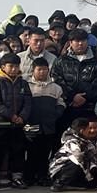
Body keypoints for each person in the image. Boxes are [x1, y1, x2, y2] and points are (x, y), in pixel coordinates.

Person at [50, 28, 97, 136]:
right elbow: (56, 79)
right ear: (70, 42)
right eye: (77, 41)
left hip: (88, 108)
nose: (80, 43)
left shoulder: (96, 61)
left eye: (83, 40)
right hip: (66, 107)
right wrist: (71, 96)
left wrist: (85, 97)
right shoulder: (61, 61)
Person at [0, 53, 32, 189]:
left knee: (18, 150)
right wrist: (11, 116)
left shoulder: (23, 82)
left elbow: (28, 102)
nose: (14, 69)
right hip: (0, 123)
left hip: (18, 124)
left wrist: (22, 117)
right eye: (11, 66)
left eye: (16, 66)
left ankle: (17, 177)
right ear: (3, 67)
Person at [24, 58, 65, 186]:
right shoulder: (26, 85)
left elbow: (61, 103)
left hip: (48, 126)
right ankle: (29, 177)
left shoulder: (55, 87)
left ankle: (42, 176)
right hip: (31, 125)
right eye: (39, 69)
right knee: (31, 152)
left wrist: (55, 114)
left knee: (45, 152)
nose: (42, 72)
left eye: (45, 70)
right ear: (33, 70)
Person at [49, 117, 97, 191]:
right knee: (75, 164)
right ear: (82, 130)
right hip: (64, 169)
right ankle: (59, 183)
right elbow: (78, 158)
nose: (92, 130)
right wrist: (90, 173)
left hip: (91, 169)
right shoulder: (72, 141)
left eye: (95, 128)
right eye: (89, 128)